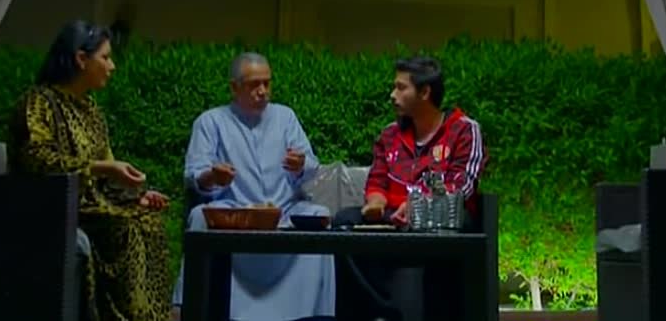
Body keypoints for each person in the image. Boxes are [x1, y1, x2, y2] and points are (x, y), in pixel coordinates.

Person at [7, 20, 172, 321]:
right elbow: (37, 159)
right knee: (123, 228)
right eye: (106, 57)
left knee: (149, 221)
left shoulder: (91, 111)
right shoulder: (39, 102)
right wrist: (99, 167)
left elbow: (106, 180)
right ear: (82, 59)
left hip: (91, 209)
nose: (112, 66)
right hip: (49, 207)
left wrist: (137, 197)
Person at [171, 52, 335, 321]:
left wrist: (300, 165)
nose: (263, 91)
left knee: (319, 215)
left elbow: (310, 166)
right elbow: (194, 175)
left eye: (267, 83)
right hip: (235, 214)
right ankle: (192, 306)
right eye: (254, 85)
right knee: (200, 215)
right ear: (234, 88)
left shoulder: (285, 117)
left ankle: (319, 314)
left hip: (282, 211)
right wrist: (213, 176)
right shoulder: (211, 122)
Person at [333, 56, 488, 321]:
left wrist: (417, 206)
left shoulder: (463, 130)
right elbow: (377, 179)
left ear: (425, 92)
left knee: (440, 226)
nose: (392, 95)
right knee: (344, 222)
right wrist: (375, 202)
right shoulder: (389, 134)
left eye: (401, 87)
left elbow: (461, 186)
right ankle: (380, 313)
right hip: (392, 217)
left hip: (440, 219)